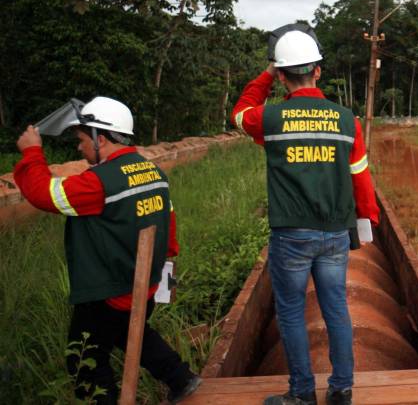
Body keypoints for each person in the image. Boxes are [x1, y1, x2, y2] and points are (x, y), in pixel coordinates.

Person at [13, 96, 202, 404]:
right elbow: (169, 225)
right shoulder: (152, 172)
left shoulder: (99, 183)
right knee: (133, 334)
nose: (79, 147)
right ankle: (181, 379)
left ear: (102, 137)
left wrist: (33, 151)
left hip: (110, 291)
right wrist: (165, 273)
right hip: (144, 285)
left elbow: (44, 194)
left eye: (82, 139)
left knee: (84, 361)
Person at [231, 23, 379, 405]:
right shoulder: (348, 121)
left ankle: (301, 395)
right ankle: (342, 390)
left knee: (293, 314)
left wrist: (265, 75)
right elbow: (361, 178)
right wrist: (367, 222)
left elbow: (240, 112)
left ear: (281, 76)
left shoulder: (271, 119)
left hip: (291, 236)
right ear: (318, 70)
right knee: (336, 310)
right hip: (333, 235)